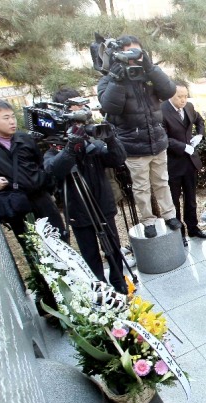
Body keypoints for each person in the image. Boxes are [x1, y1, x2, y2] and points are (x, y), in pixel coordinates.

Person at [97, 35, 181, 239]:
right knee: (141, 187)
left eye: (137, 52)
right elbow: (109, 107)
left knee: (162, 181)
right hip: (134, 146)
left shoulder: (148, 74)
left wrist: (151, 68)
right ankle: (148, 220)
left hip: (157, 141)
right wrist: (118, 80)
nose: (134, 57)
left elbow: (169, 90)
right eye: (128, 53)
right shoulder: (109, 79)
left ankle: (169, 215)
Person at [44, 89, 127, 293]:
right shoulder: (54, 142)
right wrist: (71, 146)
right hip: (79, 210)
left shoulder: (92, 136)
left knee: (113, 249)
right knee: (90, 255)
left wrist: (110, 139)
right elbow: (54, 171)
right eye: (75, 111)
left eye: (83, 109)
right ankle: (99, 290)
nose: (80, 116)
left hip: (102, 204)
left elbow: (117, 159)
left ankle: (120, 284)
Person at [0, 98, 66, 243]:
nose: (12, 121)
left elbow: (41, 164)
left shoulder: (24, 138)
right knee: (32, 246)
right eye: (6, 118)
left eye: (13, 116)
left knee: (59, 240)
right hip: (15, 204)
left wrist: (48, 187)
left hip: (41, 198)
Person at [161, 81, 206, 246]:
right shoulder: (161, 110)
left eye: (185, 96)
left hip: (190, 162)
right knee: (174, 200)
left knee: (191, 199)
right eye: (179, 97)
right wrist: (183, 147)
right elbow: (163, 138)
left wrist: (200, 135)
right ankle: (178, 233)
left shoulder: (188, 107)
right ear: (171, 95)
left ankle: (193, 228)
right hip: (173, 163)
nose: (183, 100)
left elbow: (200, 120)